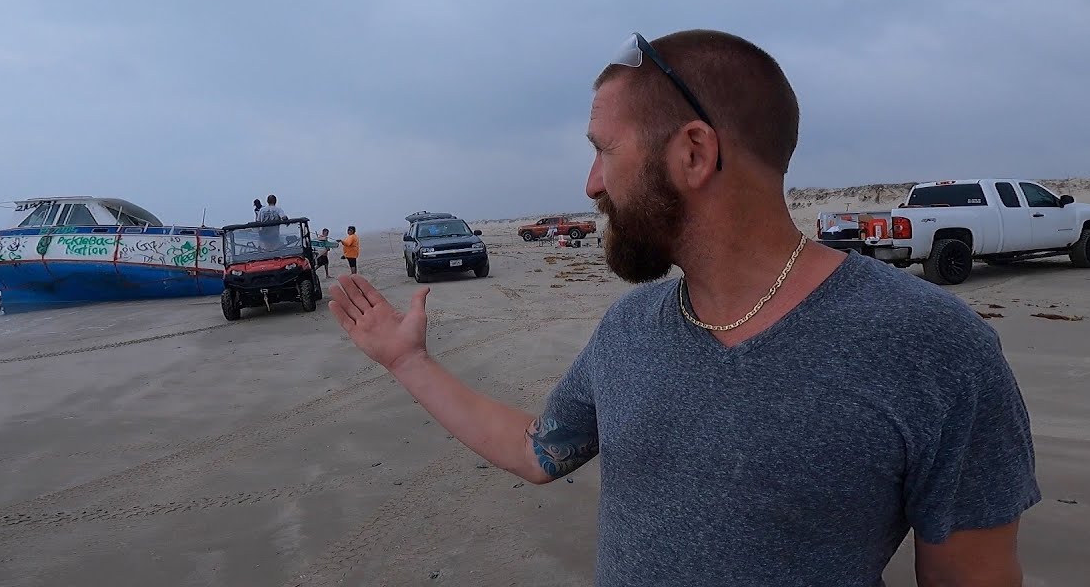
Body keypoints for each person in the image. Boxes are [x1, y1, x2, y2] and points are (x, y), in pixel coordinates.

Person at [327, 29, 1040, 586]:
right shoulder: (628, 330)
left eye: (604, 151)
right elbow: (536, 452)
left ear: (694, 153)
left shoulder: (931, 348)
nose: (590, 185)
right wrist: (407, 361)